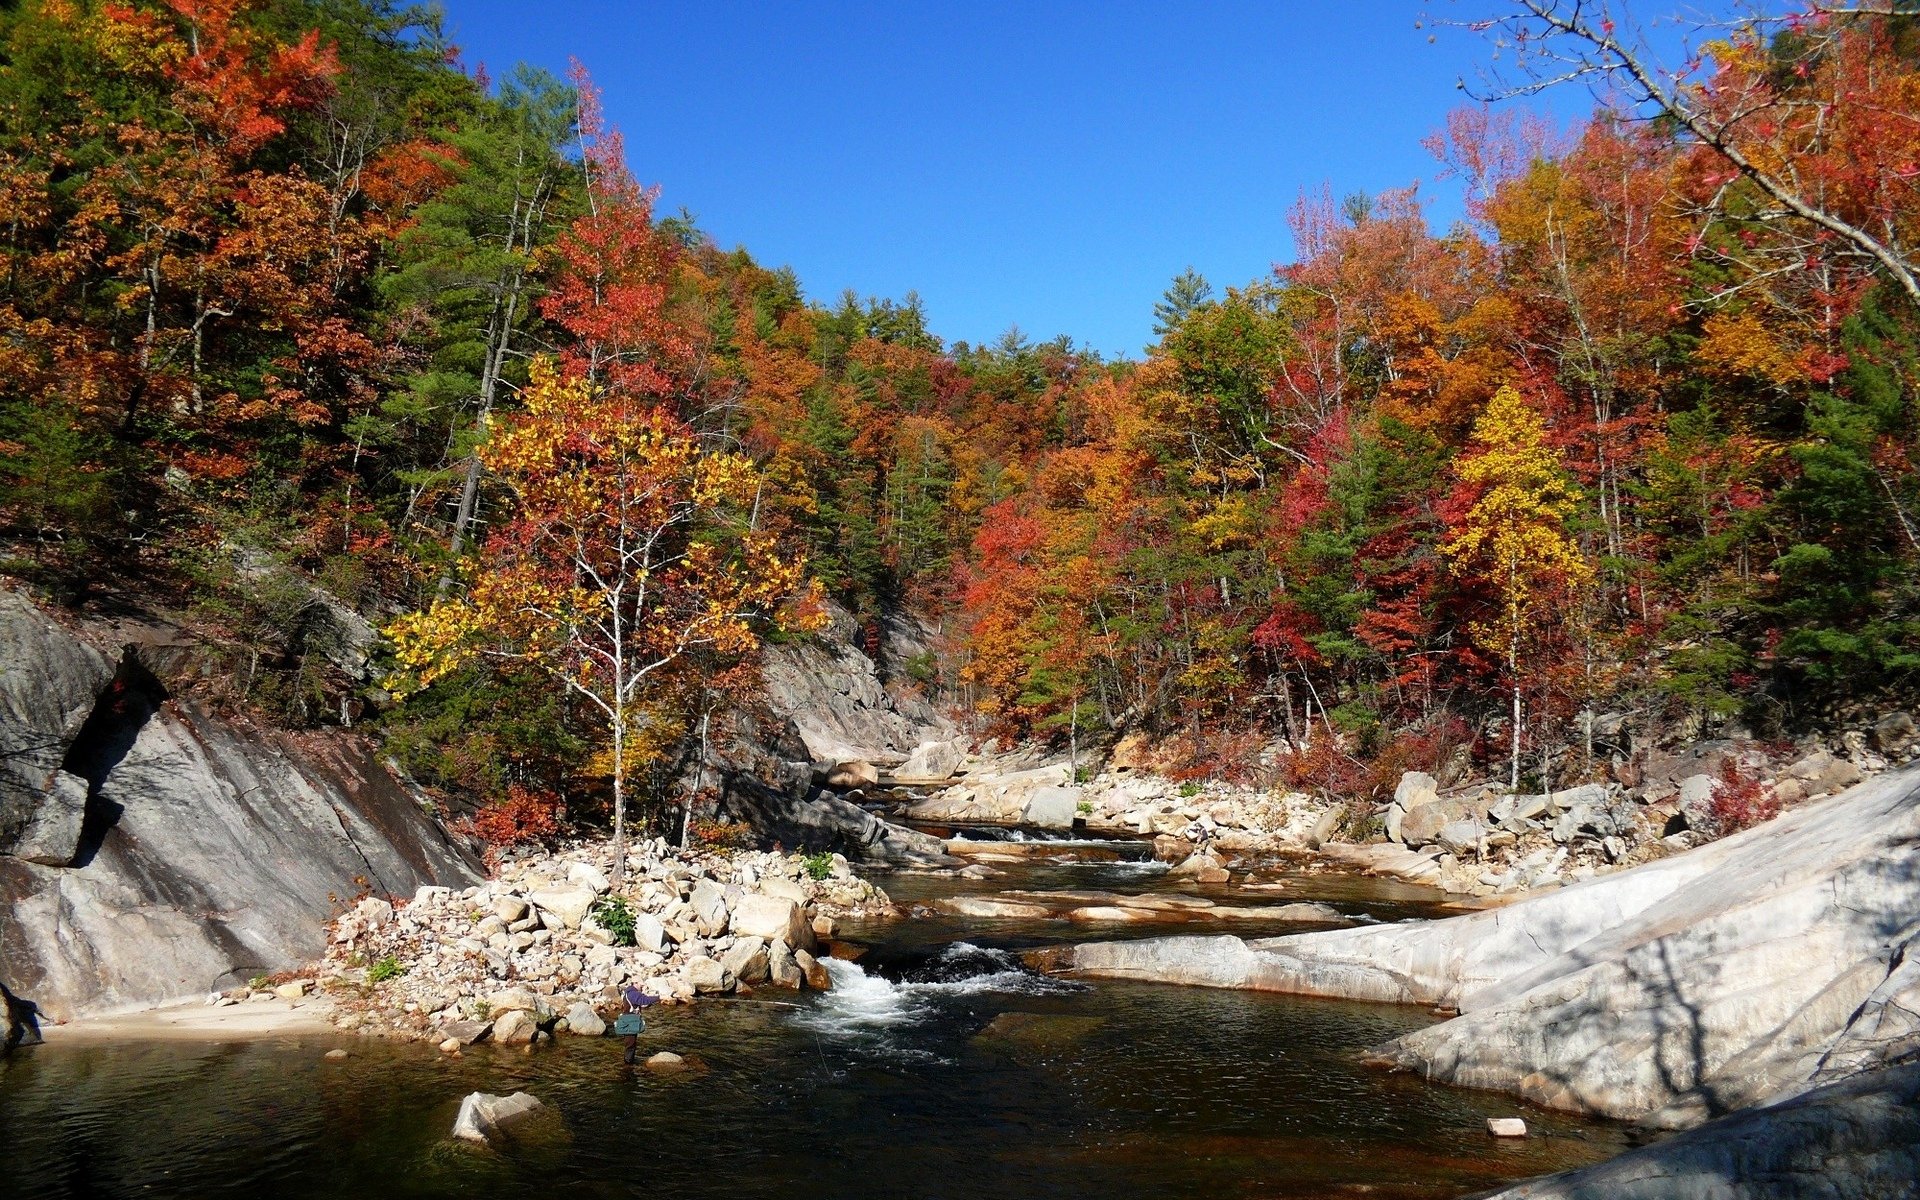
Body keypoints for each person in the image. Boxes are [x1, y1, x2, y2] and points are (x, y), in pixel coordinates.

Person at [616, 985, 659, 1064]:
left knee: (630, 1044)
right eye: (641, 985)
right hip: (630, 1022)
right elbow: (644, 1000)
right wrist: (658, 998)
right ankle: (628, 1066)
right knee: (630, 1045)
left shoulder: (629, 992)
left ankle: (628, 1063)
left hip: (628, 1021)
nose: (643, 987)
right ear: (636, 983)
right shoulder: (633, 993)